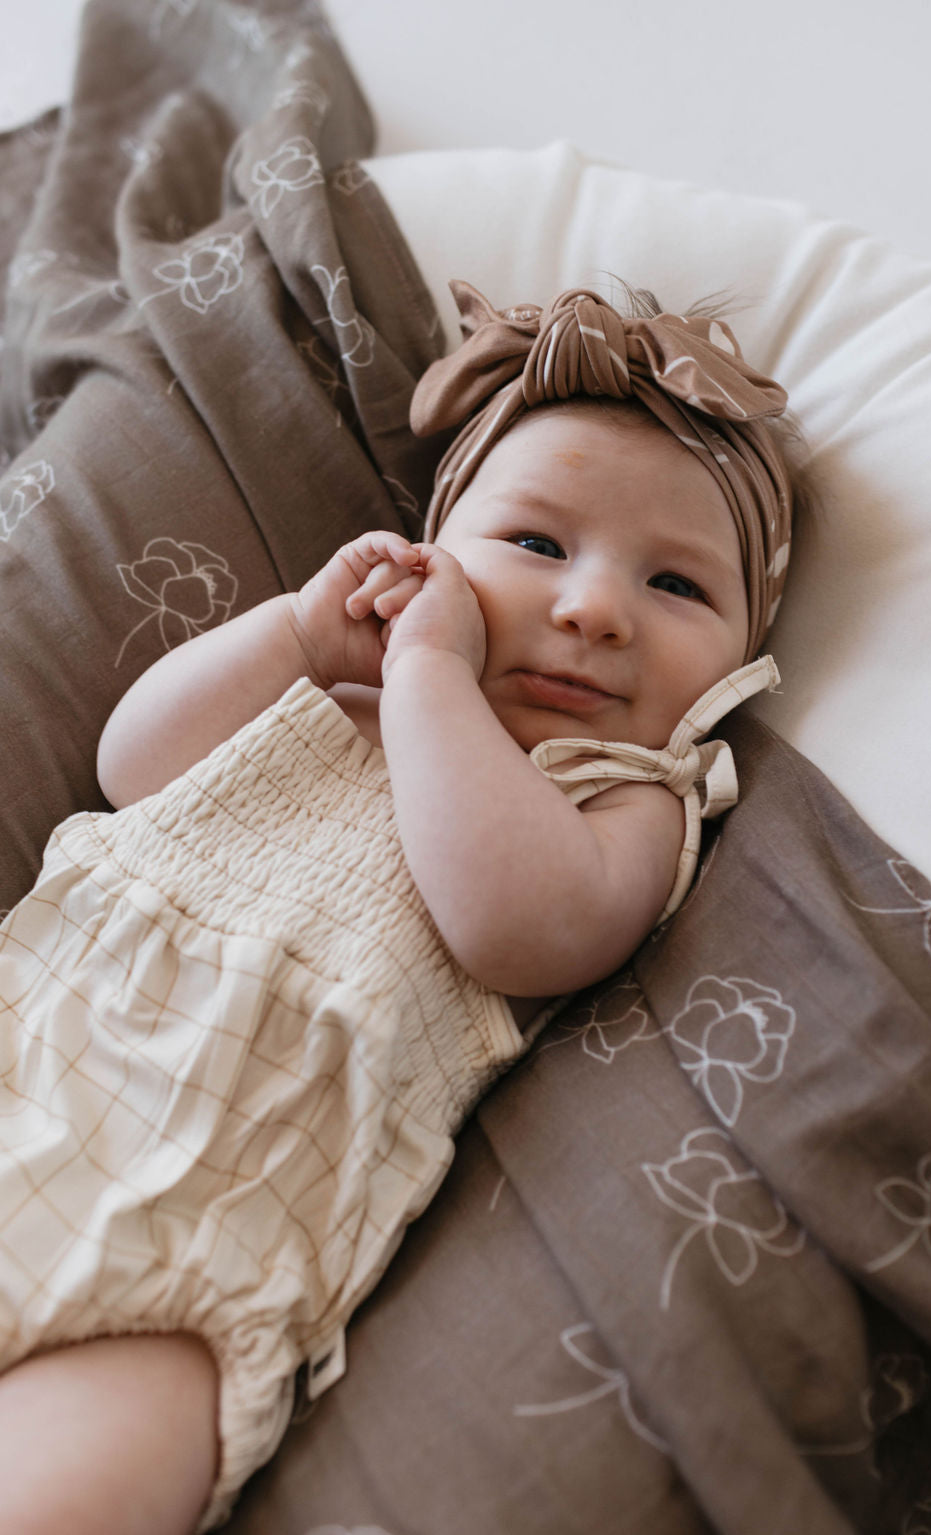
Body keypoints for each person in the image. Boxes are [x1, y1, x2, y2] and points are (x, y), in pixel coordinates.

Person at [0, 282, 800, 1534]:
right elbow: (132, 763)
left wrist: (432, 673)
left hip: (197, 1254)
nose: (593, 605)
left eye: (677, 586)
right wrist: (297, 634)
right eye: (536, 544)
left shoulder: (621, 798)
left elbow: (518, 927)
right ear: (431, 551)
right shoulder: (329, 696)